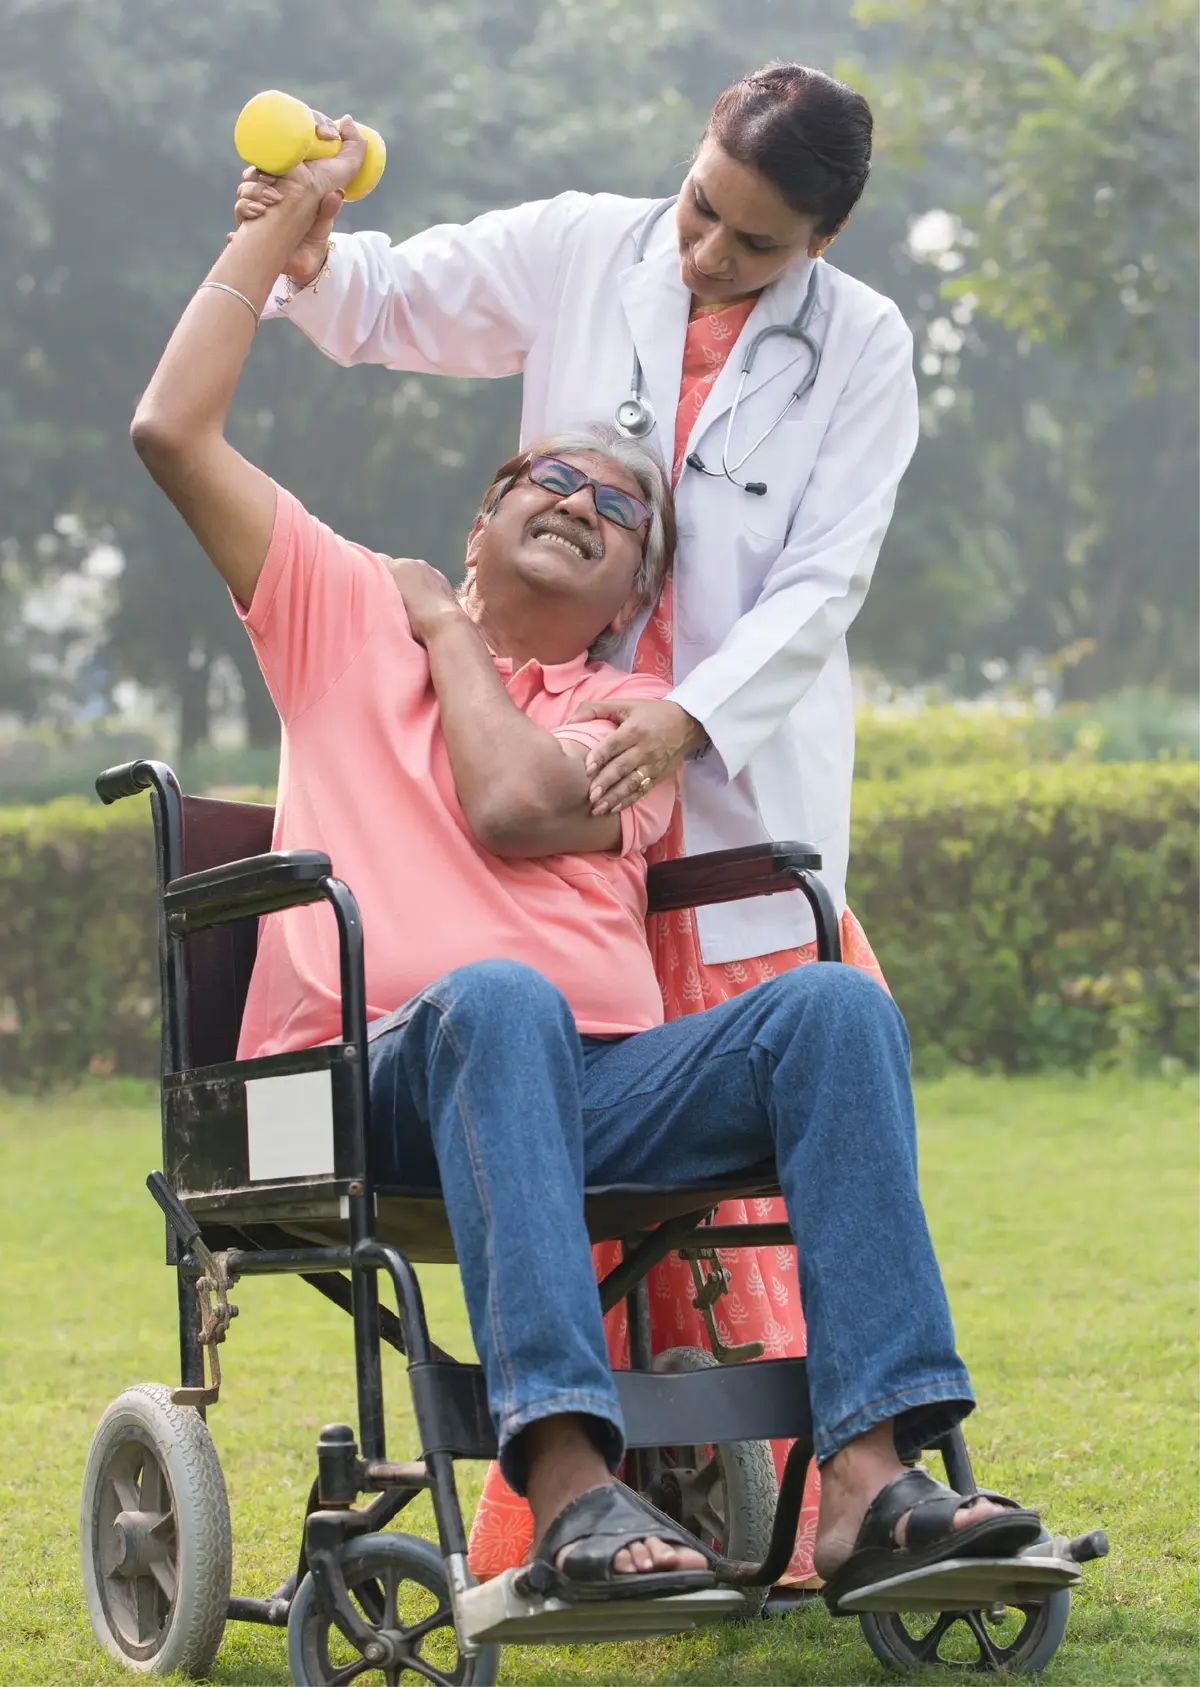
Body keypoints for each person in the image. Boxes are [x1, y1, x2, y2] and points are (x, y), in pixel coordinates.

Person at [129, 132, 1045, 1610]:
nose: (580, 499)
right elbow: (173, 428)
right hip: (372, 1074)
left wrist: (450, 637)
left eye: (622, 512)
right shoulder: (339, 601)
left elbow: (506, 800)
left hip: (590, 1078)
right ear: (481, 518)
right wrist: (283, 230)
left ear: (635, 601)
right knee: (500, 1001)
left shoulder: (625, 729)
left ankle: (875, 1475)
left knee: (835, 1010)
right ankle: (565, 1473)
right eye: (545, 475)